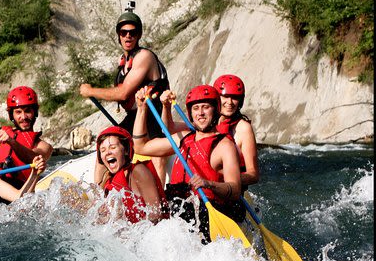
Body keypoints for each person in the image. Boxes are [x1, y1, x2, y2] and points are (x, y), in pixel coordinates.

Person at [132, 85, 244, 242]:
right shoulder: (182, 138)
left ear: (216, 110)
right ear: (190, 113)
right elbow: (140, 146)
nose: (201, 113)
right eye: (196, 108)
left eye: (206, 107)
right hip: (178, 215)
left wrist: (208, 184)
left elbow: (235, 190)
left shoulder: (225, 146)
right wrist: (141, 108)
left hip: (207, 218)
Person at [78, 3, 171, 185]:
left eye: (133, 32)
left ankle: (160, 199)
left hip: (154, 115)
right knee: (105, 143)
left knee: (156, 155)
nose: (128, 36)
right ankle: (100, 193)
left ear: (139, 35)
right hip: (135, 116)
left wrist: (90, 91)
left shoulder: (144, 56)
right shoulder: (124, 63)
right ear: (119, 35)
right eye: (123, 32)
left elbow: (123, 93)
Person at [94, 126, 168, 224]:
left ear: (125, 150)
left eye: (113, 147)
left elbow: (156, 215)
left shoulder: (138, 171)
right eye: (103, 150)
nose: (107, 152)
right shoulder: (108, 181)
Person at [0, 86, 53, 189]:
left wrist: (11, 141)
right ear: (11, 115)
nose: (23, 117)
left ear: (34, 112)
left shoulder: (44, 146)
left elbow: (35, 159)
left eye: (27, 111)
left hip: (18, 192)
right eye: (18, 112)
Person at [213, 74, 260, 188]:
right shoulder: (205, 123)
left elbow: (253, 174)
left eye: (234, 97)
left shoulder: (243, 128)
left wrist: (228, 178)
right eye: (225, 96)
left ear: (240, 101)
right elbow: (169, 128)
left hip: (229, 193)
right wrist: (166, 106)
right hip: (206, 190)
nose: (230, 102)